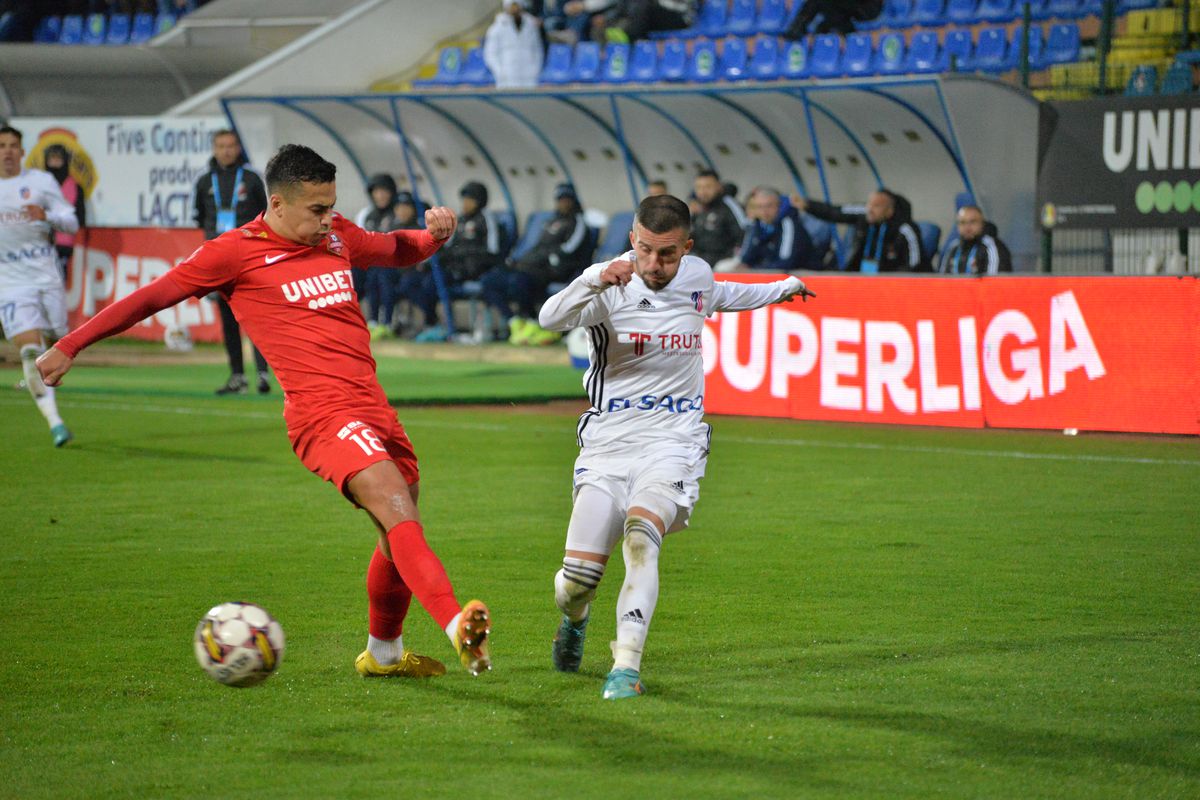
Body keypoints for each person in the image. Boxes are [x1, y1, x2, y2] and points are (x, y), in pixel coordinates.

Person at [37, 144, 493, 678]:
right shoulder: (233, 253)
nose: (328, 221)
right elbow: (151, 298)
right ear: (277, 203)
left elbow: (394, 249)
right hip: (322, 417)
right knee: (396, 507)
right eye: (316, 211)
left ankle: (384, 655)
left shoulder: (337, 234)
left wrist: (432, 237)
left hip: (373, 407)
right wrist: (72, 344)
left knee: (398, 527)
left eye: (331, 208)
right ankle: (456, 626)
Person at [537, 194, 814, 699]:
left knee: (642, 538)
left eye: (666, 254)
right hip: (608, 441)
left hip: (674, 438)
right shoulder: (609, 281)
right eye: (644, 250)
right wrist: (594, 278)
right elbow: (549, 319)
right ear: (632, 241)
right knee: (575, 581)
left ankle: (625, 667)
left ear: (685, 248)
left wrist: (783, 288)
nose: (654, 264)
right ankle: (575, 621)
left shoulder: (696, 277)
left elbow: (725, 293)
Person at [0, 125, 78, 447]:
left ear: (22, 150)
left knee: (57, 338)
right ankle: (55, 423)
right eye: (1, 145)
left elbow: (71, 222)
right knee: (30, 350)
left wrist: (46, 214)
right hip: (9, 283)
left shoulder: (40, 183)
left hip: (46, 275)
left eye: (12, 145)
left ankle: (39, 376)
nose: (6, 151)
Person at [193, 129, 271, 395]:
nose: (226, 150)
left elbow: (266, 214)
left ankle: (263, 374)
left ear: (238, 148)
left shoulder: (251, 179)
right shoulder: (204, 181)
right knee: (228, 319)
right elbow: (201, 217)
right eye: (221, 146)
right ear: (214, 149)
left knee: (257, 318)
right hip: (219, 259)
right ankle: (238, 376)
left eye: (230, 145)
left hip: (250, 257)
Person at [481, 182, 590, 345]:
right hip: (530, 267)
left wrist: (542, 259)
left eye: (566, 199)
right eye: (560, 199)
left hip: (552, 270)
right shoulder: (549, 222)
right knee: (489, 280)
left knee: (520, 281)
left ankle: (532, 321)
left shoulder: (578, 222)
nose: (563, 203)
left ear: (574, 200)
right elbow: (537, 247)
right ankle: (515, 322)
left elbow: (568, 249)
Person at [794, 188, 926, 272]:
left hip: (892, 285)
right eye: (869, 203)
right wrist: (808, 206)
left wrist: (890, 283)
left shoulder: (906, 230)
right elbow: (835, 212)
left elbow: (914, 265)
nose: (869, 209)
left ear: (889, 211)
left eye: (876, 206)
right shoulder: (865, 213)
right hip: (863, 279)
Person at [353, 173, 406, 339]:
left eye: (384, 191)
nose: (380, 196)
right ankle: (361, 322)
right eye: (377, 192)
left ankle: (386, 323)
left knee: (381, 275)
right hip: (371, 263)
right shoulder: (366, 215)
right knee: (350, 275)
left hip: (395, 265)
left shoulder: (398, 213)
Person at [736, 186, 813, 272]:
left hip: (800, 276)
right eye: (759, 207)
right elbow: (745, 258)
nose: (764, 211)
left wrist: (756, 269)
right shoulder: (757, 225)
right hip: (767, 272)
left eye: (769, 206)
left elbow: (786, 262)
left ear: (779, 206)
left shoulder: (788, 223)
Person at [41, 144, 86, 277]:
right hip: (40, 243)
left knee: (58, 282)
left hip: (63, 244)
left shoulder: (74, 186)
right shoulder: (39, 184)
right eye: (51, 158)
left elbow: (80, 218)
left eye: (58, 158)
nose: (55, 162)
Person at [688, 169, 745, 270]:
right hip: (702, 259)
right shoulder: (697, 209)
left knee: (722, 269)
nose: (703, 192)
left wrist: (738, 257)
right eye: (699, 187)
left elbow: (744, 232)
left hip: (725, 260)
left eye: (708, 187)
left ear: (718, 186)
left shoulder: (729, 205)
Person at [483, 0, 545, 89]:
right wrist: (500, 71)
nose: (514, 9)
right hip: (507, 74)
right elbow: (490, 53)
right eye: (512, 6)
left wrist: (535, 69)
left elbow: (537, 50)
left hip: (529, 74)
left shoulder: (531, 25)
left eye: (517, 6)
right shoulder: (496, 28)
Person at [937, 205, 1013, 275]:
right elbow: (943, 280)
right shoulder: (953, 247)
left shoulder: (992, 247)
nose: (967, 227)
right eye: (962, 223)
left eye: (972, 222)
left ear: (982, 224)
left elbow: (994, 283)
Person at [599, 0, 695, 44]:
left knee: (644, 4)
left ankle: (629, 36)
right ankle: (616, 27)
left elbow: (681, 6)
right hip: (655, 15)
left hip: (679, 17)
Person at [783, 0, 883, 39]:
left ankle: (800, 26)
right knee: (826, 4)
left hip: (867, 7)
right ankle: (801, 26)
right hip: (847, 8)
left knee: (827, 4)